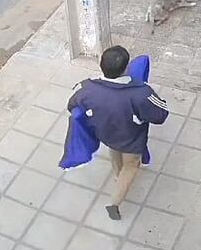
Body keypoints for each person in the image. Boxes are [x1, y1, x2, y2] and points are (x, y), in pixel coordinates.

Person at [66, 46, 169, 220]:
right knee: (130, 166)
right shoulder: (141, 93)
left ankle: (116, 175)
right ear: (126, 68)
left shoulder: (86, 88)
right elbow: (161, 114)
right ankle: (114, 203)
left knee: (114, 149)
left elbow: (72, 105)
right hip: (130, 139)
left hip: (105, 133)